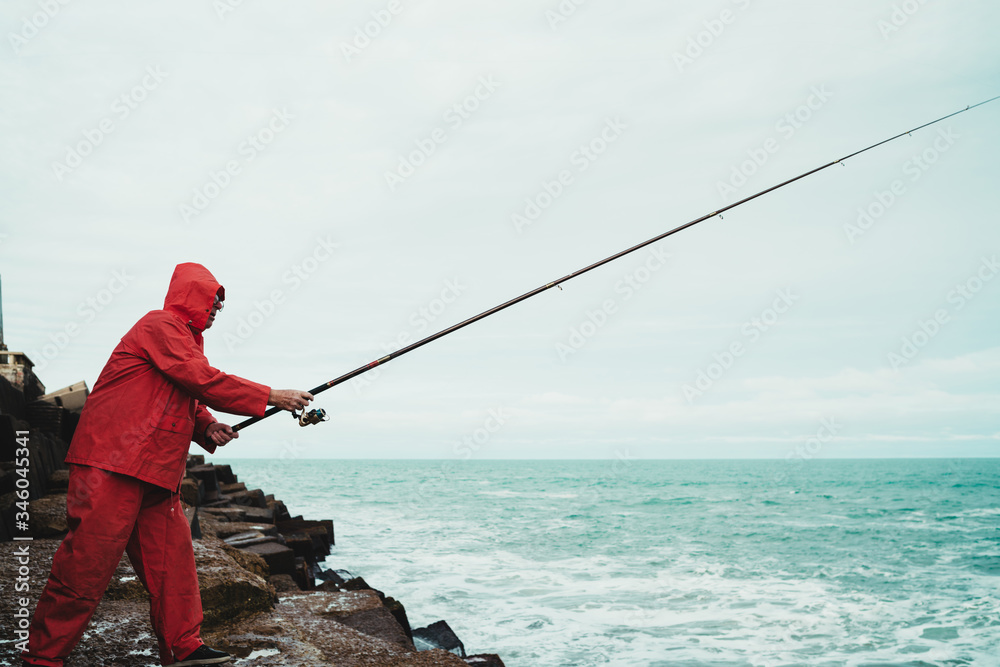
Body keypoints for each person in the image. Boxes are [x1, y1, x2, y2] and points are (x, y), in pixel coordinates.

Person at [22, 263, 314, 667]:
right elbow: (200, 378)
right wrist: (271, 396)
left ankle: (183, 647)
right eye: (213, 301)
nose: (217, 310)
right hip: (112, 464)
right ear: (192, 297)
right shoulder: (159, 325)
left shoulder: (186, 342)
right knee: (85, 565)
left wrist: (206, 426)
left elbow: (186, 394)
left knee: (173, 567)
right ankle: (42, 657)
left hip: (156, 473)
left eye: (220, 305)